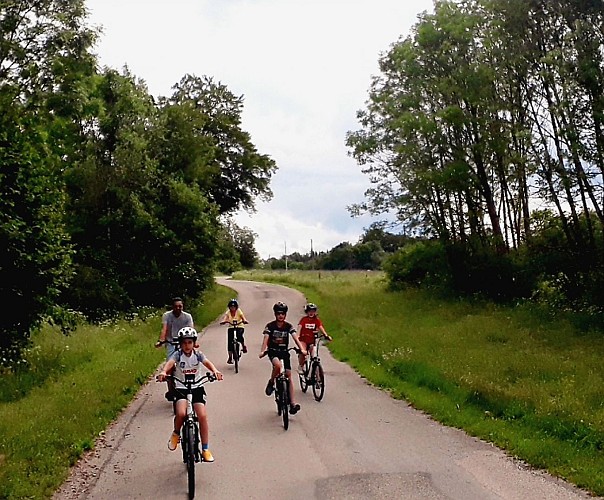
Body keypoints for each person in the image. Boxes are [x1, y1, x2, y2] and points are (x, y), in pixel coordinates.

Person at [157, 326, 223, 462]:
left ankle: (205, 449)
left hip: (197, 388)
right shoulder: (177, 355)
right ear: (180, 344)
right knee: (181, 413)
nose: (187, 346)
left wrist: (215, 371)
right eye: (184, 343)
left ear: (194, 343)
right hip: (181, 389)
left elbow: (207, 362)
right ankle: (176, 433)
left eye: (189, 342)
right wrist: (164, 372)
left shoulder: (198, 354)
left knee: (202, 415)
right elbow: (170, 363)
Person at [259, 301, 306, 415]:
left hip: (285, 352)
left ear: (285, 314)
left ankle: (292, 404)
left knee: (289, 376)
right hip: (273, 351)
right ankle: (271, 382)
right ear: (275, 314)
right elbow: (266, 338)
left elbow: (295, 337)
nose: (281, 316)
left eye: (283, 313)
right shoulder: (270, 326)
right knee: (278, 366)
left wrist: (302, 349)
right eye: (279, 313)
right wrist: (262, 350)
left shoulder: (288, 326)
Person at [155, 297, 194, 399]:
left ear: (183, 306)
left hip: (183, 342)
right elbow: (165, 329)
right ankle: (171, 390)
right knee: (170, 366)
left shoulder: (187, 317)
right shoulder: (167, 316)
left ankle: (189, 387)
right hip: (171, 343)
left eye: (180, 306)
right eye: (176, 306)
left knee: (188, 364)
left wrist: (194, 343)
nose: (178, 308)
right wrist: (161, 340)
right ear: (172, 307)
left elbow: (191, 331)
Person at [297, 303, 332, 374]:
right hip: (303, 340)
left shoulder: (316, 320)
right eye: (309, 311)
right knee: (303, 352)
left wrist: (326, 335)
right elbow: (299, 327)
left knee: (314, 356)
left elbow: (320, 327)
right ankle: (301, 366)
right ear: (307, 312)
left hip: (312, 341)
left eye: (313, 311)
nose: (311, 313)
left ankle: (315, 372)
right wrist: (297, 335)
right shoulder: (304, 319)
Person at [219, 298, 249, 364]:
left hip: (239, 325)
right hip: (231, 326)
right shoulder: (228, 312)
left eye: (234, 307)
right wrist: (223, 321)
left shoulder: (239, 311)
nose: (233, 308)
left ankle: (243, 346)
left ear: (236, 307)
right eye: (231, 307)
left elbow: (242, 317)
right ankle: (230, 357)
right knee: (230, 341)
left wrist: (244, 320)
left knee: (239, 336)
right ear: (229, 307)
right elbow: (225, 318)